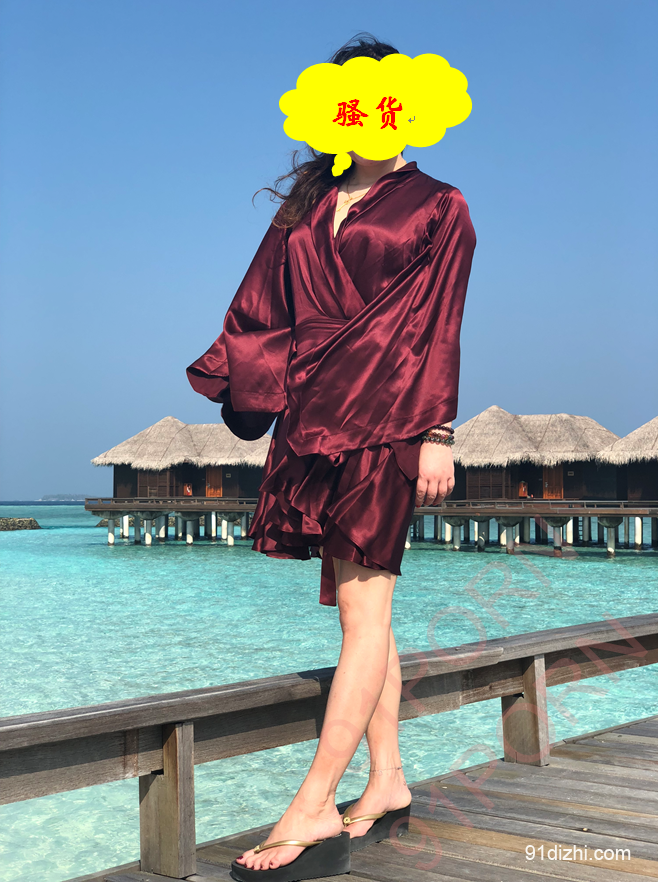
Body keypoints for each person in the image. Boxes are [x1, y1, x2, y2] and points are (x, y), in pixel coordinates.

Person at [187, 32, 476, 882]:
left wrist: (438, 431)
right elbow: (258, 307)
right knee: (361, 616)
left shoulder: (441, 204)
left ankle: (313, 801)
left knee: (365, 610)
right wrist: (234, 379)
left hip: (388, 421)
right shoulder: (308, 206)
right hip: (311, 424)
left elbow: (441, 323)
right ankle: (387, 778)